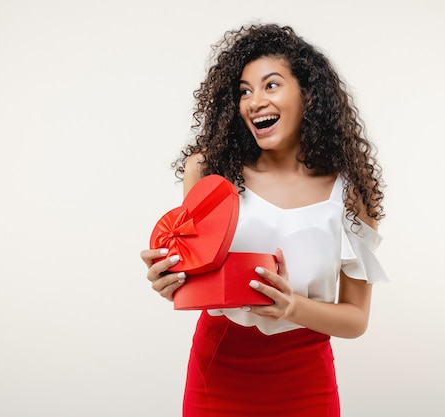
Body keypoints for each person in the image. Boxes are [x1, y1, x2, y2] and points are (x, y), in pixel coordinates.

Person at [140, 22, 389, 417]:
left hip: (306, 381)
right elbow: (196, 282)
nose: (254, 101)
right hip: (219, 372)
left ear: (307, 95)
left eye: (271, 85)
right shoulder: (209, 173)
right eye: (244, 91)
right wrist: (170, 281)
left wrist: (293, 307)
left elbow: (356, 319)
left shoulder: (351, 193)